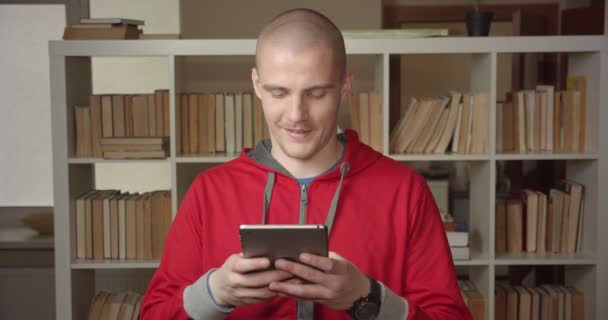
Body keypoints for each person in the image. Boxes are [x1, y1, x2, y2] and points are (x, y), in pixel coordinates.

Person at [141, 8, 472, 320]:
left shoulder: (404, 190)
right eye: (279, 92)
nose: (297, 115)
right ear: (257, 85)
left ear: (344, 84)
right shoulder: (209, 191)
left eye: (316, 94)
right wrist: (214, 293)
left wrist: (369, 298)